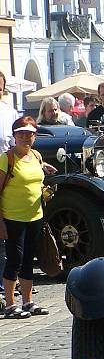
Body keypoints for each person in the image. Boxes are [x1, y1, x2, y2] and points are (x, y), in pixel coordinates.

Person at [0, 117, 57, 318]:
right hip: (13, 217)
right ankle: (9, 304)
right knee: (14, 259)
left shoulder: (36, 156)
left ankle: (28, 302)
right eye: (21, 133)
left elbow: (35, 181)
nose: (26, 137)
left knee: (28, 260)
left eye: (30, 133)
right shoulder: (6, 159)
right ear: (14, 136)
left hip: (35, 216)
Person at [0, 72, 16, 296]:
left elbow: (15, 145)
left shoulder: (9, 112)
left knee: (5, 233)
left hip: (6, 175)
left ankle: (5, 284)